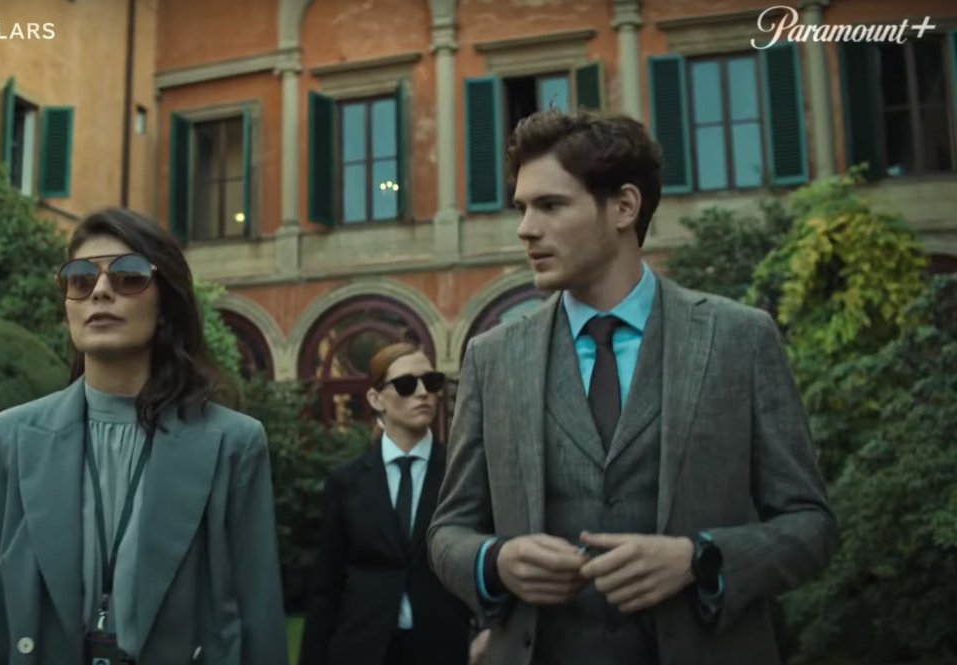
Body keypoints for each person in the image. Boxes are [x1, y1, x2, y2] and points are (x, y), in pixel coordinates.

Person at [427, 109, 840, 665]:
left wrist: (699, 559)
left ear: (624, 206)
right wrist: (494, 562)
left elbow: (812, 524)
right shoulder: (492, 356)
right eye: (522, 208)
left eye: (550, 205)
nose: (525, 228)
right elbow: (448, 530)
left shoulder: (739, 338)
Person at [0, 208, 289, 665]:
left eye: (129, 276)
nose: (100, 290)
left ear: (165, 303)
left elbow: (259, 619)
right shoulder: (9, 439)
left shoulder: (233, 443)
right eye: (80, 279)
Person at [299, 342, 485, 665]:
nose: (423, 393)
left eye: (431, 382)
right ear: (376, 399)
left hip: (446, 648)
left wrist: (488, 629)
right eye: (406, 384)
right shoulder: (346, 482)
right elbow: (325, 587)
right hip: (362, 649)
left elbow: (485, 559)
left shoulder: (462, 473)